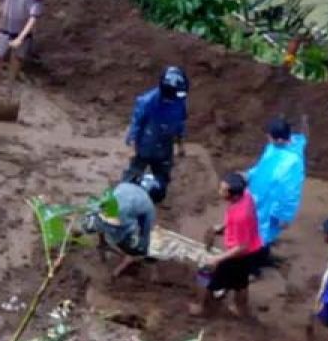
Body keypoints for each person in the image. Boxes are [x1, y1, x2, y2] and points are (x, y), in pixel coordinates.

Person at [191, 173, 266, 318]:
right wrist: (224, 226)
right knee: (240, 282)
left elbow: (242, 247)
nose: (219, 192)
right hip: (252, 247)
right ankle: (240, 308)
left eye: (223, 190)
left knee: (205, 274)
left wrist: (218, 259)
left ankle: (202, 307)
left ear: (234, 195)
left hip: (239, 254)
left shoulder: (241, 216)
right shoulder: (246, 196)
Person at [83, 172, 164, 279]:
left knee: (105, 212)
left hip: (90, 220)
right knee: (153, 240)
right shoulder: (149, 206)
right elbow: (146, 233)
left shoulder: (124, 185)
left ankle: (102, 242)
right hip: (117, 234)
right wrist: (142, 250)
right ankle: (128, 261)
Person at [246, 116, 308, 256]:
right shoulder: (273, 148)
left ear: (280, 139)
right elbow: (262, 166)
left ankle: (256, 265)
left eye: (270, 138)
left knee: (263, 234)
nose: (268, 140)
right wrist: (248, 175)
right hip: (260, 198)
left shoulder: (293, 163)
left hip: (272, 206)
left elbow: (291, 193)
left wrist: (284, 216)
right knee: (257, 230)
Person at [125, 66, 188, 201]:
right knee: (131, 178)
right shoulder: (147, 102)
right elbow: (136, 124)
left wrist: (181, 145)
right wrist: (132, 147)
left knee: (162, 182)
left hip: (165, 144)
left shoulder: (179, 102)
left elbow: (181, 123)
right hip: (146, 143)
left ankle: (153, 196)